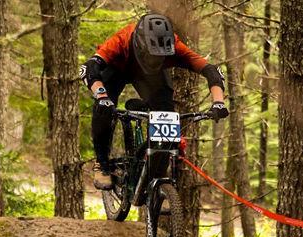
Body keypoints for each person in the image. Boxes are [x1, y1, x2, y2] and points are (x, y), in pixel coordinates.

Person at [79, 14, 228, 189]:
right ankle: (102, 163)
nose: (156, 60)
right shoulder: (122, 40)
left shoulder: (174, 46)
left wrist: (218, 102)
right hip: (117, 69)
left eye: (161, 56)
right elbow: (89, 68)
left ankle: (157, 181)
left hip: (150, 77)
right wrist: (101, 96)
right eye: (152, 56)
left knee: (167, 115)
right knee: (103, 108)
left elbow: (211, 71)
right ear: (140, 47)